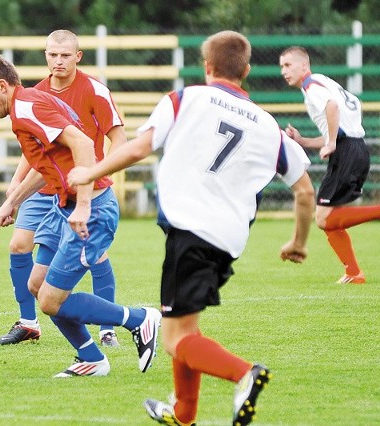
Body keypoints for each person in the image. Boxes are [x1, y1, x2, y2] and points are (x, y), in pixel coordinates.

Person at [68, 31, 315, 424]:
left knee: (175, 339)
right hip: (228, 239)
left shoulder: (185, 99)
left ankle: (244, 374)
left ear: (207, 67)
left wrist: (88, 172)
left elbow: (138, 148)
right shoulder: (269, 127)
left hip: (190, 230)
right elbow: (304, 192)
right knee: (185, 327)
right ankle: (183, 413)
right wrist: (298, 242)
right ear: (247, 71)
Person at [0, 53, 161, 378]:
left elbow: (84, 144)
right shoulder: (27, 105)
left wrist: (84, 205)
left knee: (49, 300)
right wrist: (12, 201)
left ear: (2, 86)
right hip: (65, 207)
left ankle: (139, 319)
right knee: (37, 284)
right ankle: (92, 358)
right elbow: (48, 165)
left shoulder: (27, 107)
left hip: (92, 210)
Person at [0, 30, 127, 347]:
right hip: (47, 185)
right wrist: (15, 191)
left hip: (83, 189)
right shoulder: (36, 92)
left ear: (78, 56)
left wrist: (94, 179)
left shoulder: (94, 90)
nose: (58, 61)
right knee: (18, 245)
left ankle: (108, 328)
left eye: (65, 55)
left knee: (95, 255)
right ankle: (29, 322)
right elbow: (38, 151)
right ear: (45, 55)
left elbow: (119, 142)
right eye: (52, 54)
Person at [280, 46, 380, 284]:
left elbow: (332, 109)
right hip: (353, 149)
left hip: (346, 151)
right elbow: (340, 119)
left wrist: (333, 142)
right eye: (281, 66)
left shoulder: (311, 86)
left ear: (304, 65)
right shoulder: (324, 82)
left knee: (324, 219)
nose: (284, 71)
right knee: (329, 218)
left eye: (288, 65)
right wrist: (303, 141)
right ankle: (354, 273)